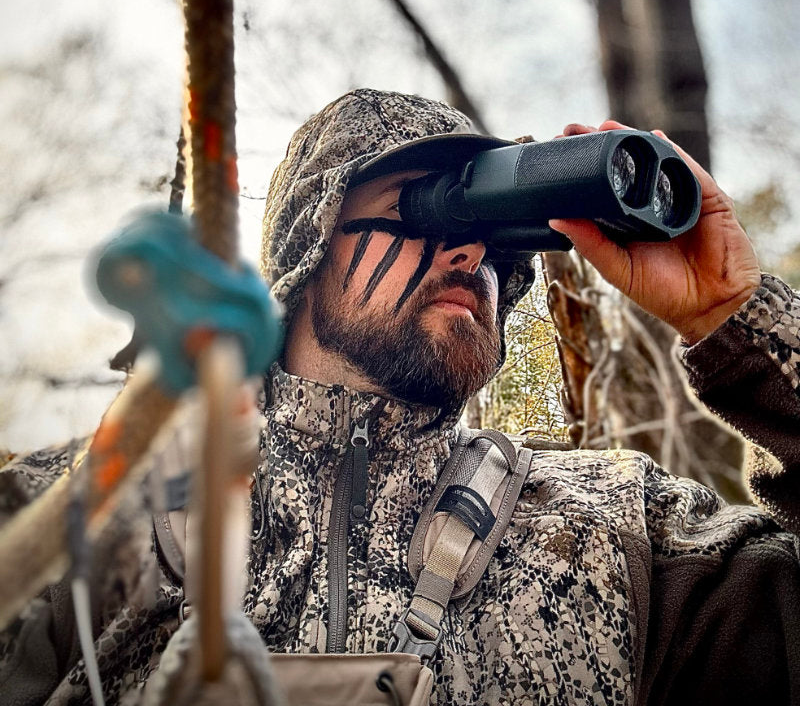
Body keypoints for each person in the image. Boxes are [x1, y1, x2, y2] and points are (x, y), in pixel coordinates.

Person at [2, 87, 800, 705]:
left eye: (490, 234)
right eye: (428, 209)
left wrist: (737, 315)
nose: (469, 253)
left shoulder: (623, 537)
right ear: (310, 246)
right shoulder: (72, 514)